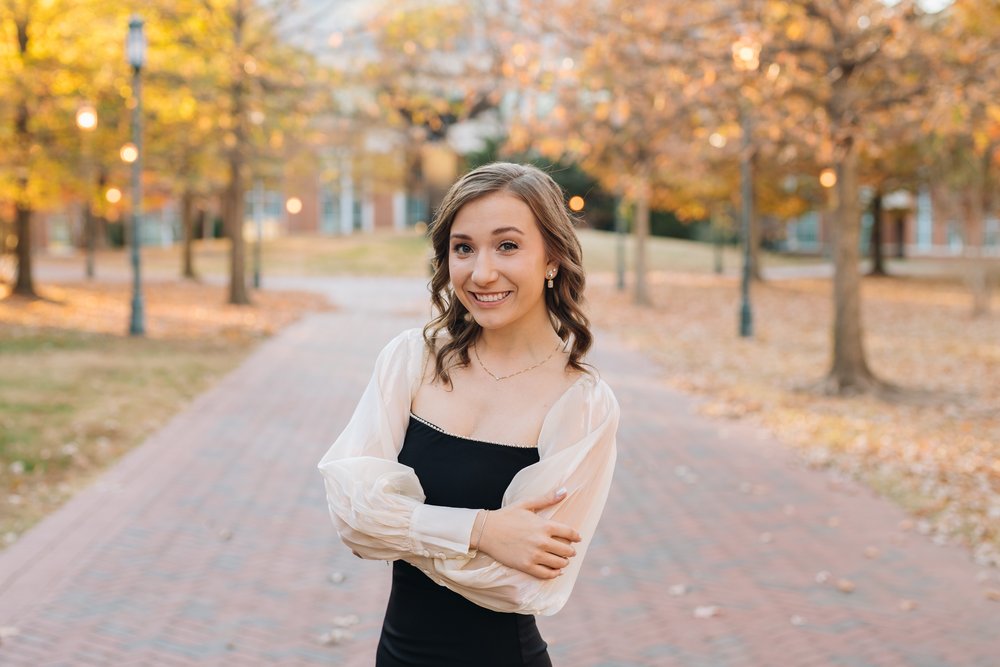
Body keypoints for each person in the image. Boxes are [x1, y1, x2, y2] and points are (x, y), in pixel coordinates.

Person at [318, 162, 619, 666]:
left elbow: (524, 584)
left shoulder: (583, 403)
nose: (481, 273)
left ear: (552, 258)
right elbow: (351, 516)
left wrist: (401, 526)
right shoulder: (411, 359)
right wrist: (482, 532)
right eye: (464, 248)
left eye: (508, 245)